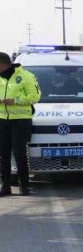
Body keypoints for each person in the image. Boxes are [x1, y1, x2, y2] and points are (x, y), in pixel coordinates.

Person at [0, 52, 41, 196]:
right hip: (2, 120)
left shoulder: (25, 76)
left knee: (19, 153)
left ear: (3, 64)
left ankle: (24, 186)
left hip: (20, 120)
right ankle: (5, 186)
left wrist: (15, 100)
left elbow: (35, 96)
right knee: (3, 155)